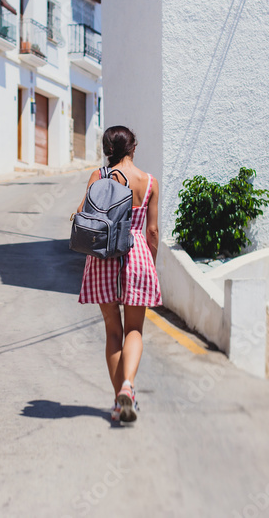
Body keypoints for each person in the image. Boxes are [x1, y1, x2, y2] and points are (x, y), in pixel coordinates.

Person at [77, 126, 161, 423]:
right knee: (134, 330)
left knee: (113, 331)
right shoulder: (149, 182)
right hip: (136, 255)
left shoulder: (98, 177)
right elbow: (151, 231)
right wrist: (150, 262)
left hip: (103, 257)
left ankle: (118, 403)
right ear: (133, 147)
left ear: (107, 149)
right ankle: (129, 385)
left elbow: (82, 216)